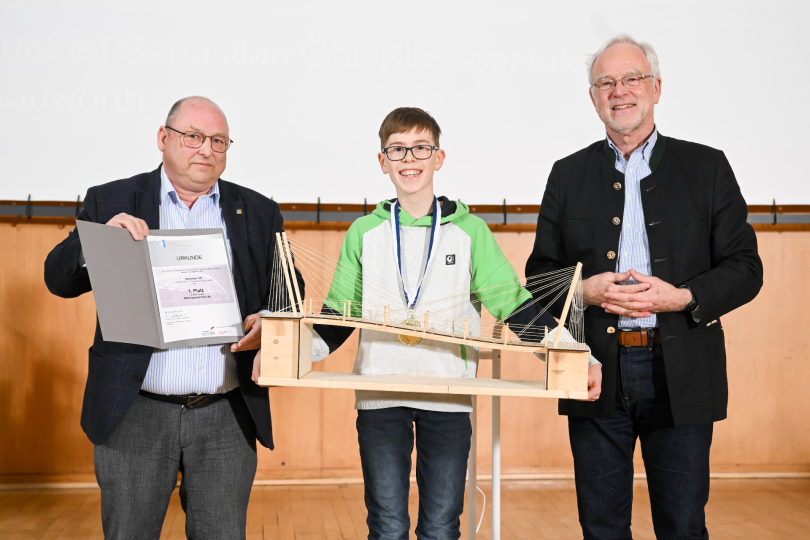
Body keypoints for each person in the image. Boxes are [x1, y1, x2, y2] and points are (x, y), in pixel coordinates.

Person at [307, 107, 601, 540]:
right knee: (386, 526)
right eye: (398, 149)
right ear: (382, 160)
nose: (410, 159)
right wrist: (288, 356)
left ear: (438, 158)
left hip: (448, 396)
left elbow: (515, 307)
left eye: (421, 148)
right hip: (379, 395)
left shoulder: (470, 232)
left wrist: (579, 354)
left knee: (442, 527)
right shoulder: (363, 233)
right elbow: (337, 317)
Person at [525, 35, 763, 539]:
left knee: (681, 525)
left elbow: (746, 268)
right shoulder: (567, 174)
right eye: (606, 82)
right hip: (594, 371)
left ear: (656, 88)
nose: (620, 91)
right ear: (593, 98)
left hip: (680, 369)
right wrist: (585, 291)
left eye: (632, 78)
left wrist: (679, 298)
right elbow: (539, 279)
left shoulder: (707, 167)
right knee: (602, 527)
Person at [44, 96, 302, 539]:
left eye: (218, 140)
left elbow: (288, 297)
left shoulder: (257, 211)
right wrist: (98, 242)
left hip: (225, 415)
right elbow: (59, 279)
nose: (206, 149)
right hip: (135, 412)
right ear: (164, 139)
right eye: (193, 136)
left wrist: (269, 321)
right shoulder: (113, 200)